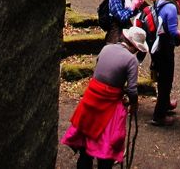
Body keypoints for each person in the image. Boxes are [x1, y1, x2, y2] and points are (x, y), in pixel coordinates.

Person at [61, 26, 148, 169]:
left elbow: (100, 72)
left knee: (86, 141)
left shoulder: (106, 48)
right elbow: (132, 90)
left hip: (91, 97)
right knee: (106, 145)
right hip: (108, 103)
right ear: (135, 46)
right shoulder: (131, 60)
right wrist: (134, 104)